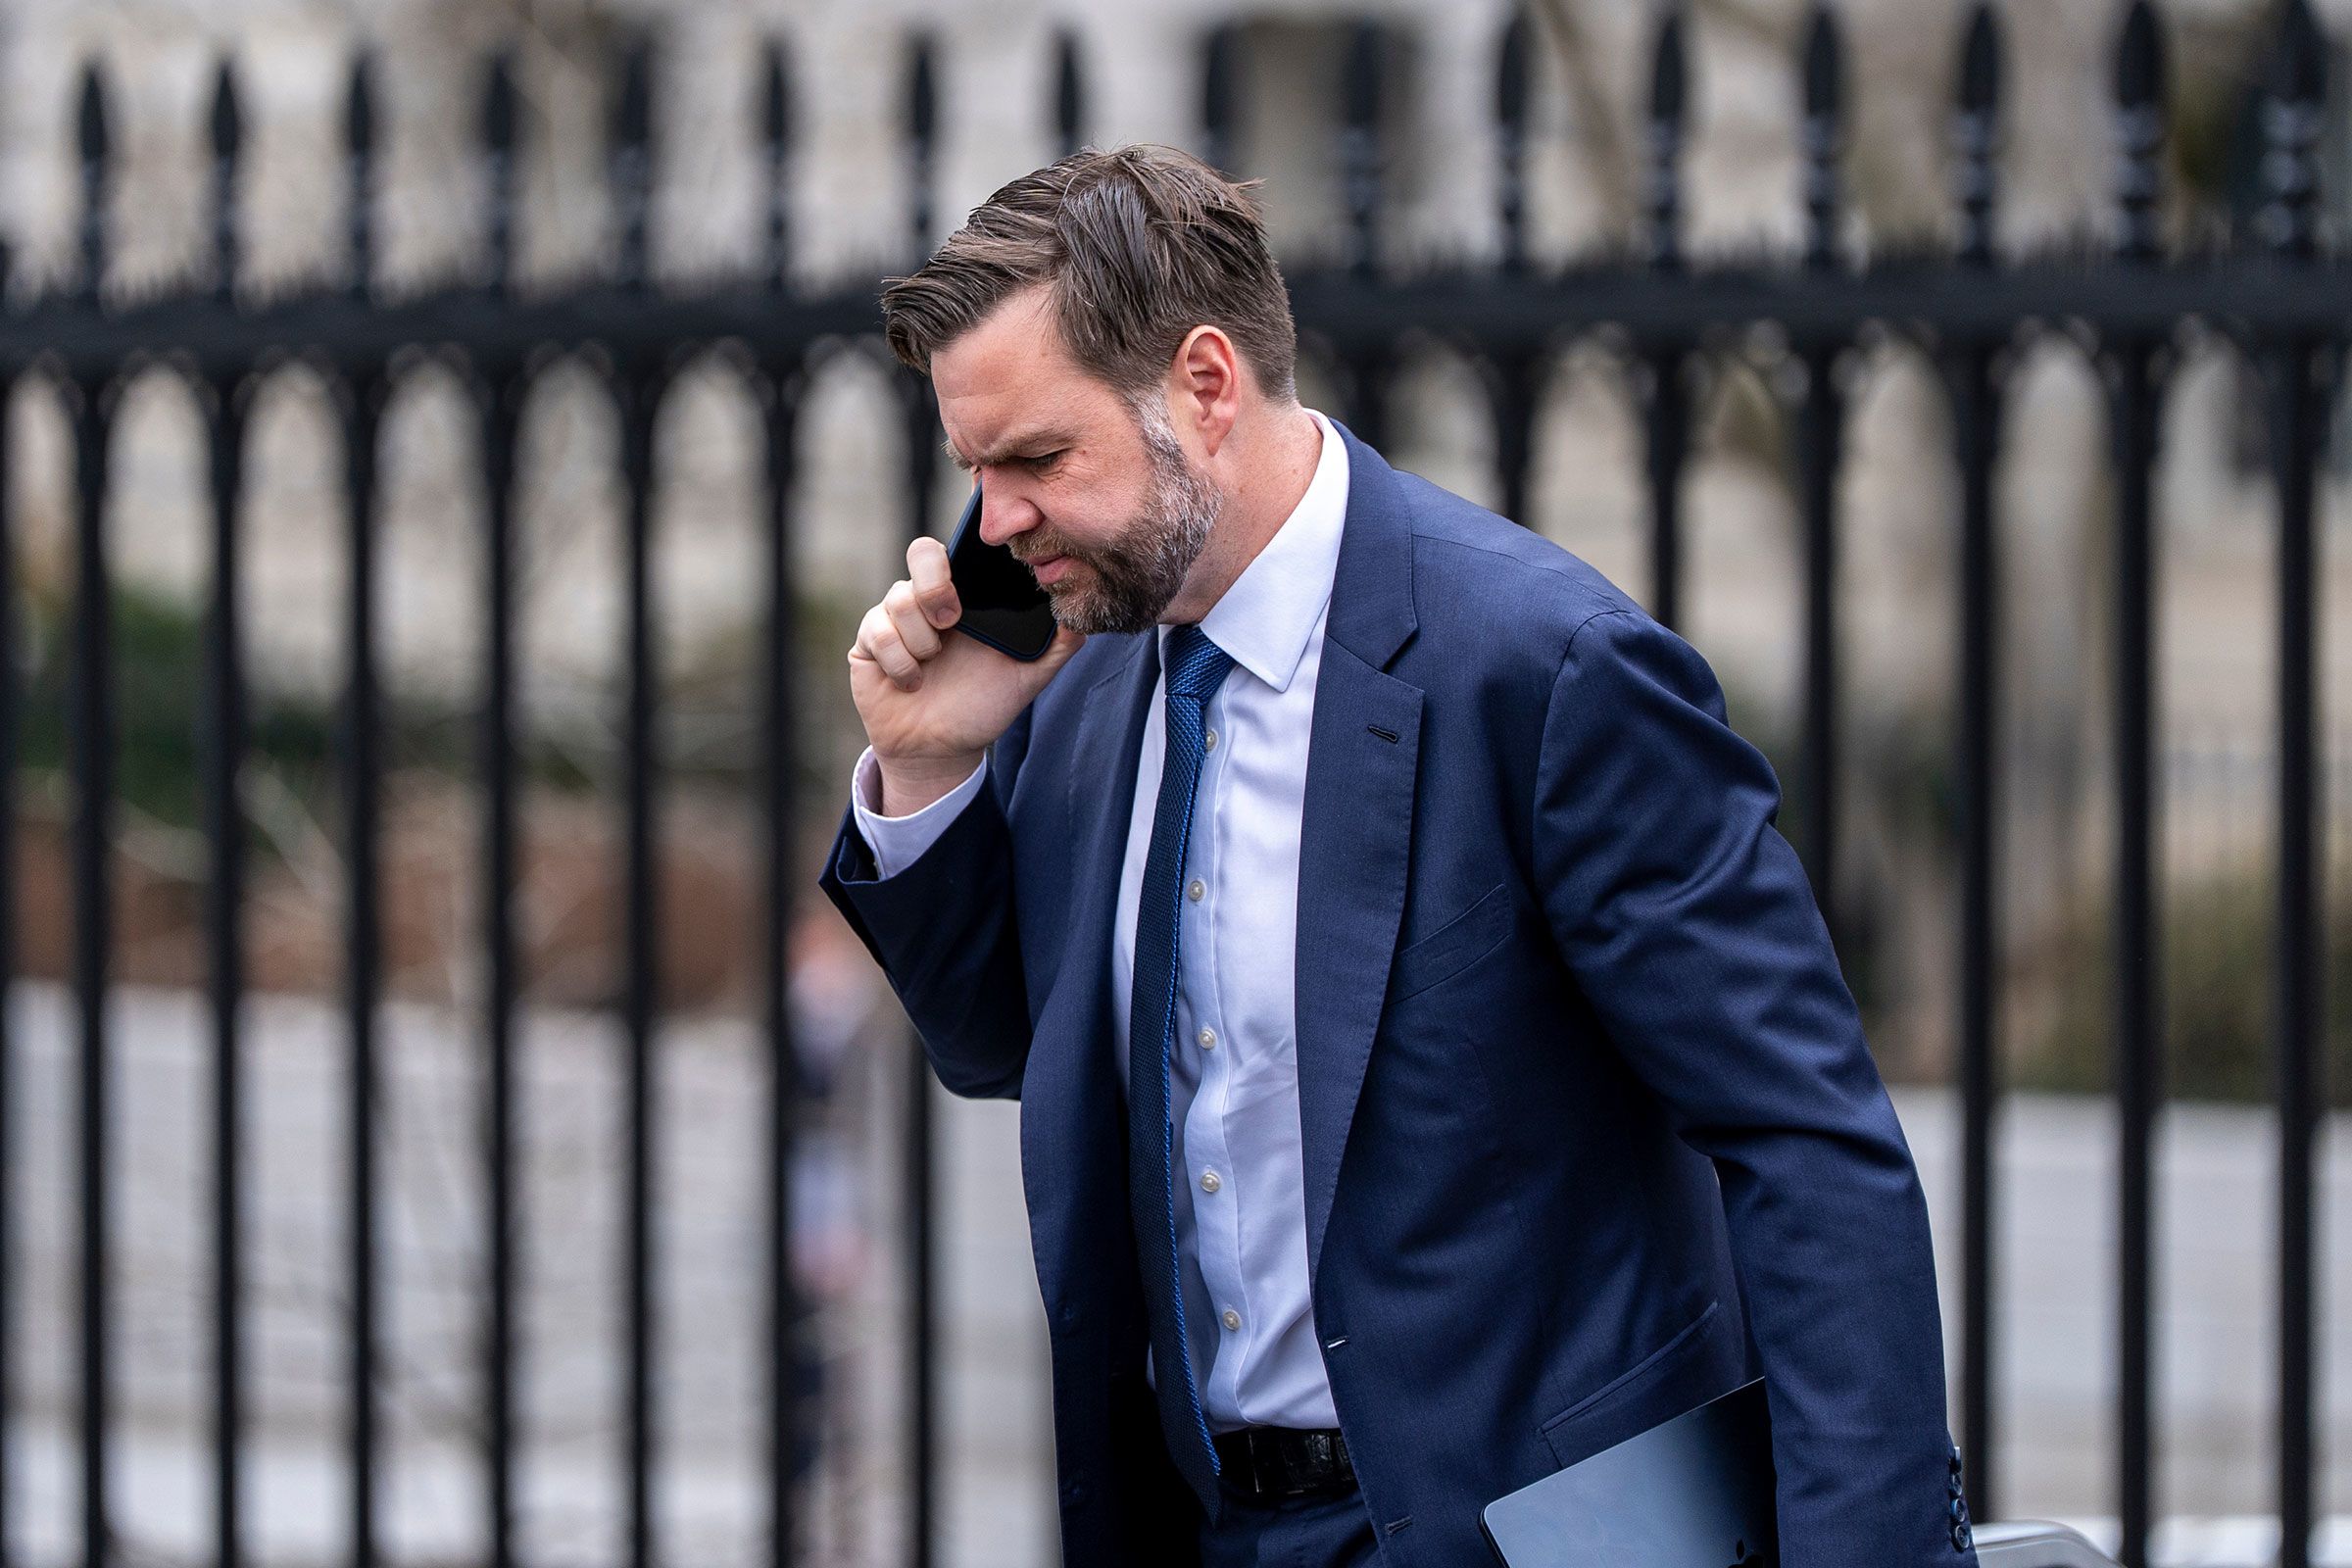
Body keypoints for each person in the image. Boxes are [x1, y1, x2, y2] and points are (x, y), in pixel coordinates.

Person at [819, 144, 1975, 1568]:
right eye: (976, 470)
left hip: (1523, 1535)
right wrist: (930, 770)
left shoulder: (1547, 671)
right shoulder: (1075, 679)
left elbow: (1808, 1146)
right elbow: (1006, 1043)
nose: (991, 525)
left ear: (1204, 384)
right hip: (1201, 1526)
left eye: (1037, 459)